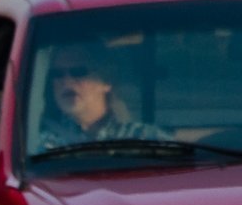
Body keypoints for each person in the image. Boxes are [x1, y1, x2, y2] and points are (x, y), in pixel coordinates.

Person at [35, 44, 169, 149]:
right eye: (57, 74)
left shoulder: (146, 140)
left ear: (106, 80)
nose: (66, 81)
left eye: (78, 72)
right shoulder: (40, 147)